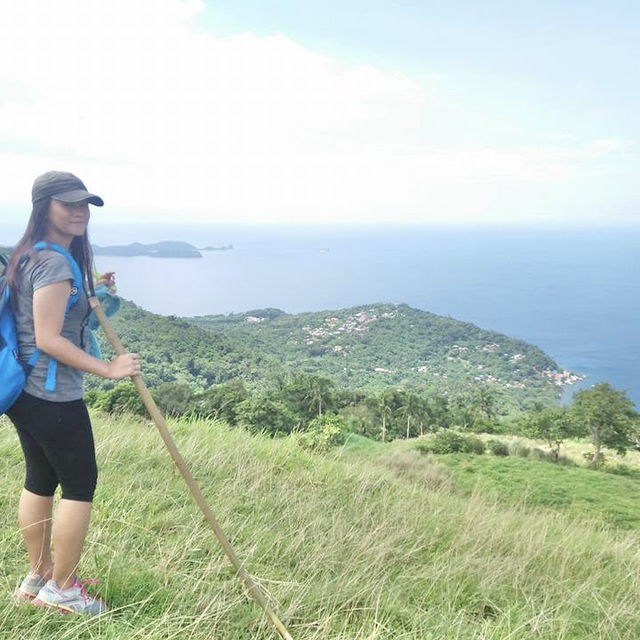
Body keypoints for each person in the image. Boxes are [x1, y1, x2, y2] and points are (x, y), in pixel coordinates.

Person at [4, 171, 140, 615]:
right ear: (44, 207)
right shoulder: (57, 263)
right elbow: (48, 337)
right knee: (80, 485)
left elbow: (47, 313)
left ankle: (39, 577)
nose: (80, 212)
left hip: (24, 393)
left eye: (85, 205)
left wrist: (92, 292)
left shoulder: (29, 255)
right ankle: (63, 589)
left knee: (40, 479)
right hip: (52, 396)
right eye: (69, 204)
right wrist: (109, 368)